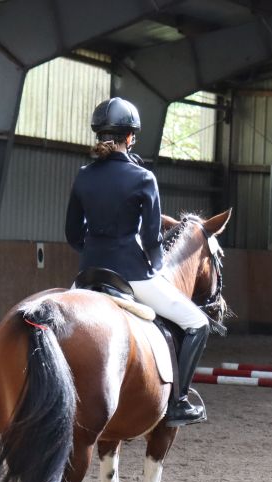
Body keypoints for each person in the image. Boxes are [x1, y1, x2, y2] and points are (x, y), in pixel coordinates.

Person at [65, 97, 210, 427]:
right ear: (130, 137)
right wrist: (155, 267)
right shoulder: (143, 178)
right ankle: (179, 402)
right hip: (131, 273)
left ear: (99, 135)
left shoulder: (84, 175)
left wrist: (94, 251)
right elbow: (151, 238)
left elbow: (73, 233)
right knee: (197, 323)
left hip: (88, 273)